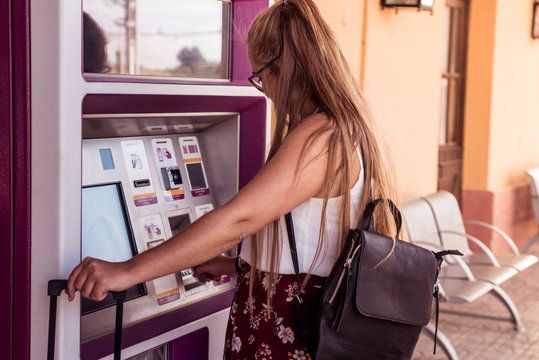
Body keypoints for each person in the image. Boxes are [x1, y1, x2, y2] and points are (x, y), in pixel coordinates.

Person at [67, 0, 398, 358]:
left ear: (283, 67)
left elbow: (239, 219)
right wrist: (235, 266)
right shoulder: (344, 128)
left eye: (261, 75)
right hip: (292, 327)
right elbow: (315, 243)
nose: (264, 88)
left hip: (285, 335)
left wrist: (127, 271)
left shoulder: (321, 136)